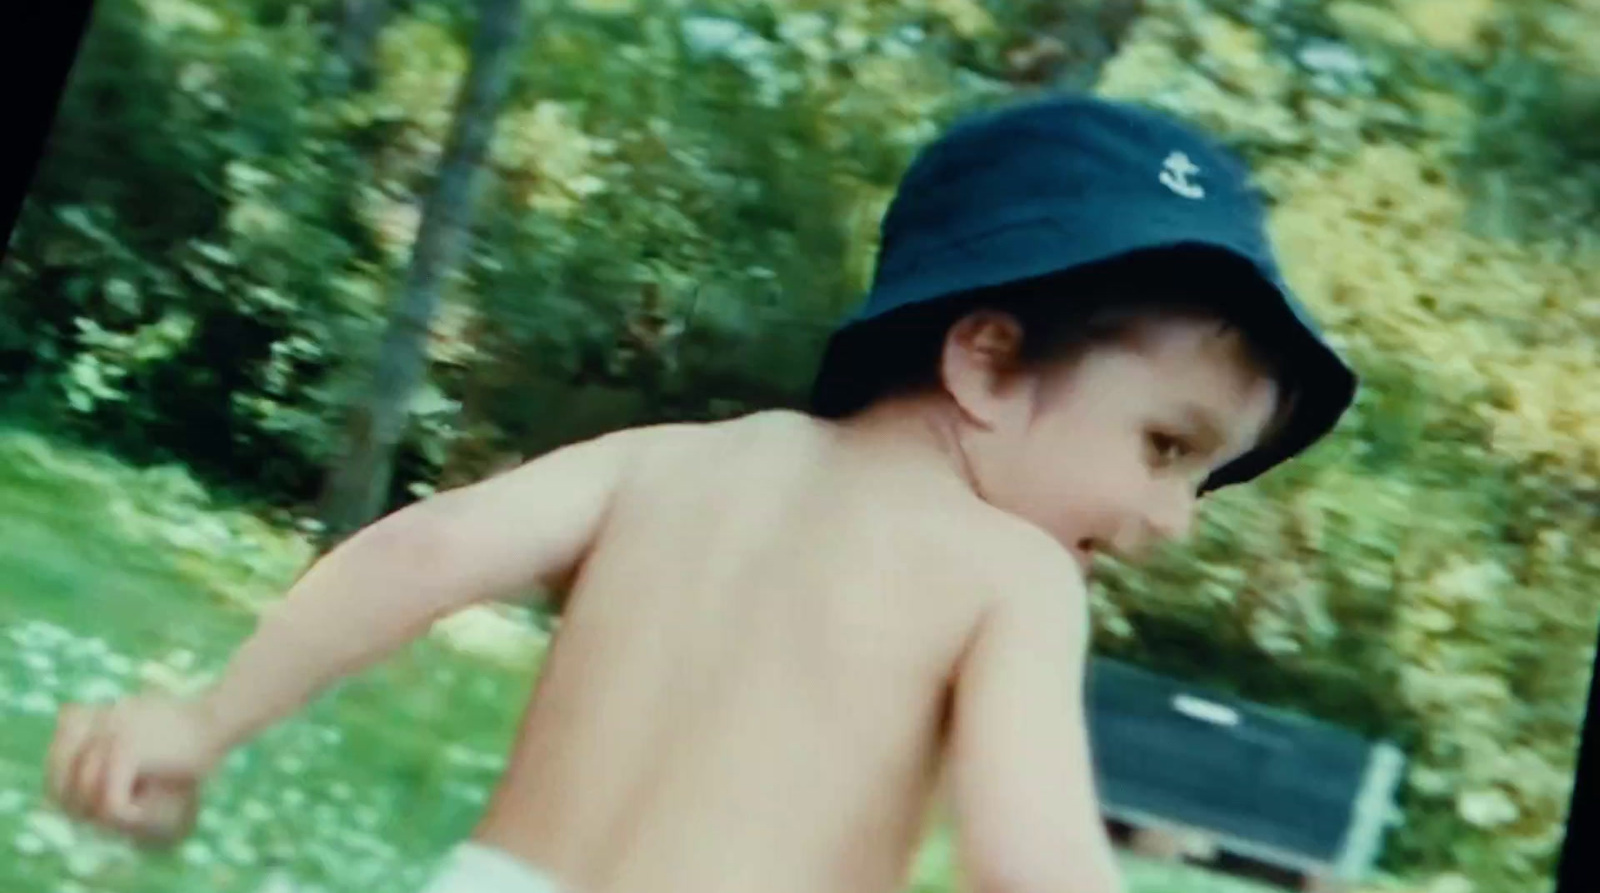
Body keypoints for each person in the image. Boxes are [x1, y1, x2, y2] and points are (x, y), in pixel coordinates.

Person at [44, 95, 1357, 893]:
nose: (1174, 518)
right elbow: (1029, 863)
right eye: (1168, 446)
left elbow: (427, 549)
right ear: (990, 360)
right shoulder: (1008, 573)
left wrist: (204, 719)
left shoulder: (670, 460)